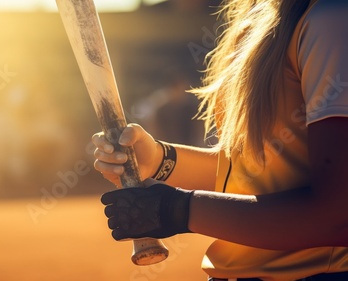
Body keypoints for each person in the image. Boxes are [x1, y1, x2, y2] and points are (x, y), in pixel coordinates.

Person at [92, 0, 348, 280]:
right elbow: (247, 174)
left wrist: (178, 209)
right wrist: (158, 159)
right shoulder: (259, 19)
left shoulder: (331, 20)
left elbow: (337, 214)